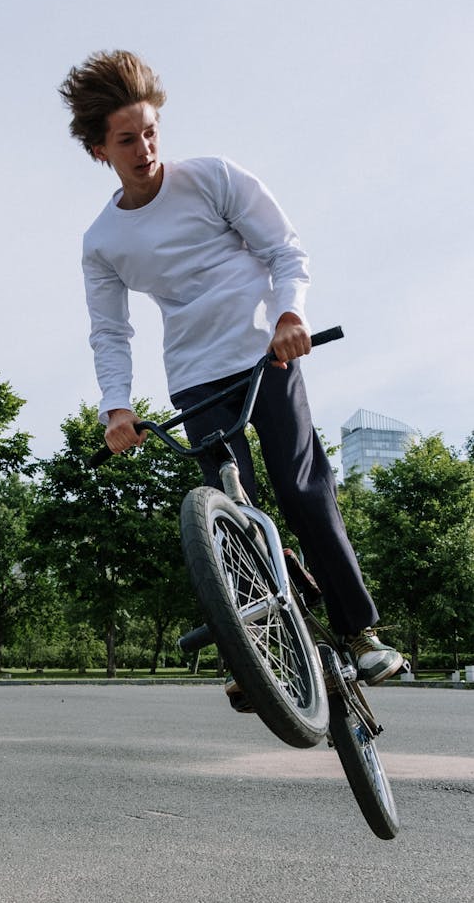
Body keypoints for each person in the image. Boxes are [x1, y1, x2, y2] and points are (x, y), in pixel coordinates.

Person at [58, 49, 403, 703]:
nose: (145, 148)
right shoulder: (102, 241)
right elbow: (110, 330)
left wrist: (289, 315)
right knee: (230, 514)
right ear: (100, 150)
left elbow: (283, 248)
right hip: (196, 378)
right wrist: (116, 407)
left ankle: (362, 634)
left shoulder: (212, 177)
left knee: (301, 489)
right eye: (127, 139)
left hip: (264, 355)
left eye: (151, 132)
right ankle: (260, 650)